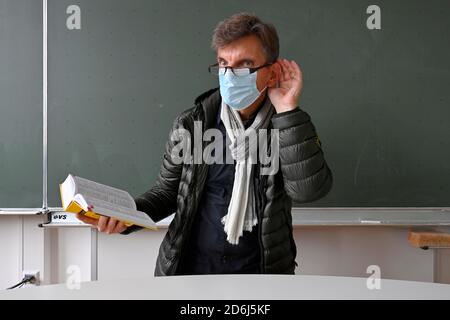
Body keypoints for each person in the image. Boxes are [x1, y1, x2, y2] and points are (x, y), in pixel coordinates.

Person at [76, 12, 333, 276]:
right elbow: (167, 194)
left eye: (244, 65)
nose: (230, 76)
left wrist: (287, 109)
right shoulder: (191, 124)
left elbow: (308, 191)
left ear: (271, 72)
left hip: (262, 275)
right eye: (223, 64)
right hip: (190, 271)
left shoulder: (287, 125)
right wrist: (125, 216)